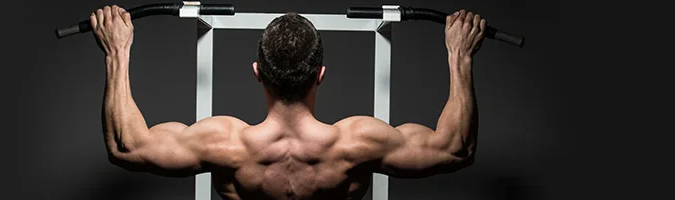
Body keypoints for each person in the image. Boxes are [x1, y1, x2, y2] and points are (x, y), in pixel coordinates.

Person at [91, 5, 484, 200]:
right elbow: (456, 148)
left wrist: (117, 52)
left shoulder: (225, 144)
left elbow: (126, 145)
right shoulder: (356, 144)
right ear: (320, 75)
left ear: (258, 72)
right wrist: (459, 55)